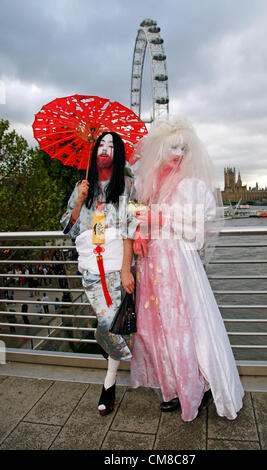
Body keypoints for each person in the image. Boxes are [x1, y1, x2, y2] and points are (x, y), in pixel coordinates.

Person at [130, 118, 244, 422]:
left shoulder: (192, 186)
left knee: (182, 326)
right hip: (151, 264)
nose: (178, 153)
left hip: (177, 264)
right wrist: (141, 231)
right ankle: (172, 386)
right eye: (172, 147)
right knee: (156, 327)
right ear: (161, 150)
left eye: (183, 148)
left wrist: (161, 219)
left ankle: (195, 386)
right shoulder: (149, 184)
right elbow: (141, 217)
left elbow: (197, 230)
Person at [60, 131, 138, 416]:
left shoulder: (129, 185)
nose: (105, 150)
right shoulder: (83, 186)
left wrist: (127, 268)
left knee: (111, 325)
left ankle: (108, 386)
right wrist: (80, 200)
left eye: (111, 146)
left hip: (117, 265)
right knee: (108, 328)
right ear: (94, 154)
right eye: (100, 145)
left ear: (117, 155)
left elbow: (131, 228)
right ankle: (123, 353)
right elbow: (66, 227)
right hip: (91, 268)